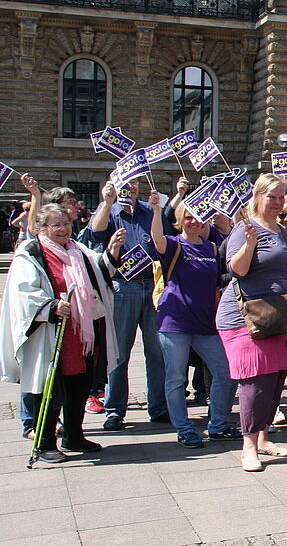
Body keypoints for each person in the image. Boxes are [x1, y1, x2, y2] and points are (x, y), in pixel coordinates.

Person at [0, 204, 123, 463]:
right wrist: (52, 306)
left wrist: (111, 251)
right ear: (42, 228)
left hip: (80, 335)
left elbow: (99, 269)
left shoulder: (77, 249)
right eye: (56, 225)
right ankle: (44, 443)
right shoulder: (31, 252)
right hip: (50, 332)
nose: (63, 229)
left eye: (66, 224)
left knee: (79, 383)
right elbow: (24, 292)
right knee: (48, 388)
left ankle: (74, 435)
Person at [218, 174, 287, 472]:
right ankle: (248, 446)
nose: (277, 202)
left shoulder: (281, 230)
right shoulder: (245, 229)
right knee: (255, 383)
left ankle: (263, 438)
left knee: (274, 381)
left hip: (280, 316)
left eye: (282, 197)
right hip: (247, 318)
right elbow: (237, 270)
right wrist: (248, 244)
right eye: (272, 196)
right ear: (258, 197)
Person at [81, 179, 174, 431]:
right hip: (122, 287)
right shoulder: (109, 211)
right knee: (119, 352)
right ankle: (114, 409)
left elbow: (164, 239)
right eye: (124, 182)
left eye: (134, 182)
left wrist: (157, 210)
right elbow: (94, 234)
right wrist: (107, 201)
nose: (130, 187)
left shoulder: (148, 209)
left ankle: (159, 407)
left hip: (153, 286)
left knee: (157, 352)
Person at [149, 193, 237, 448]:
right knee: (176, 378)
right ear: (179, 221)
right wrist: (156, 211)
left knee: (224, 372)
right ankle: (184, 428)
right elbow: (156, 239)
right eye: (188, 217)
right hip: (175, 322)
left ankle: (218, 424)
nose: (194, 221)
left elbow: (215, 287)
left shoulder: (210, 248)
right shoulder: (174, 244)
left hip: (206, 323)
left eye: (198, 217)